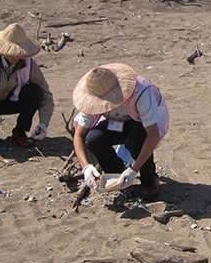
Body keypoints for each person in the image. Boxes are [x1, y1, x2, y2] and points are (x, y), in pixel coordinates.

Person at [72, 63, 170, 199]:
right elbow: (79, 136)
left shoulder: (141, 92)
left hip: (143, 122)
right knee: (93, 138)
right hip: (116, 123)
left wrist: (134, 169)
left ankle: (149, 181)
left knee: (136, 142)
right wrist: (86, 167)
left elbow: (153, 135)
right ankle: (117, 174)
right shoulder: (92, 97)